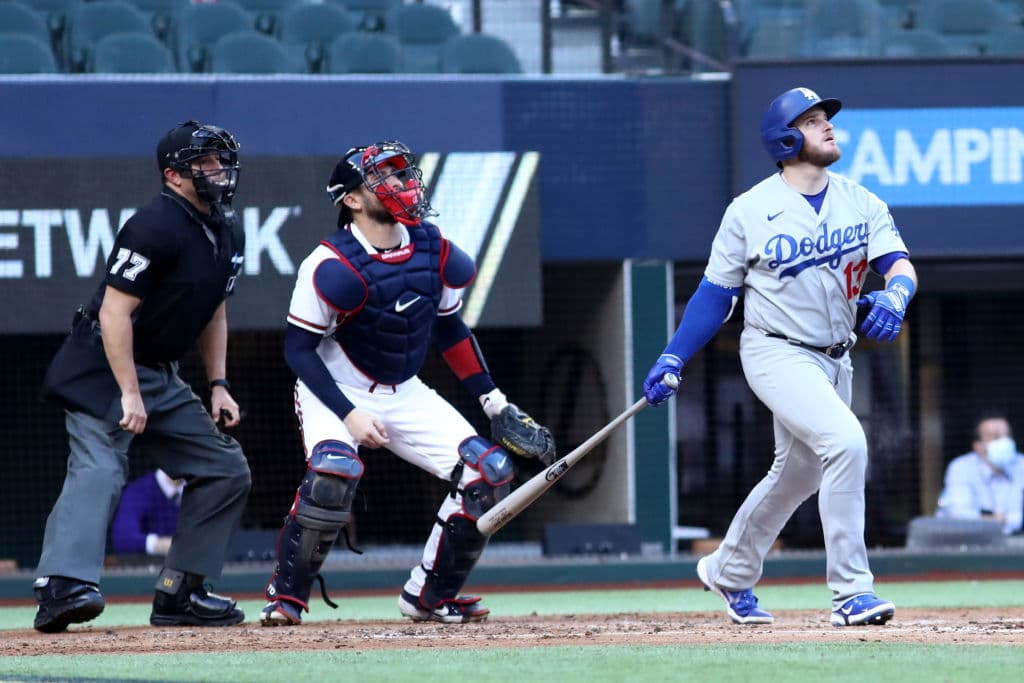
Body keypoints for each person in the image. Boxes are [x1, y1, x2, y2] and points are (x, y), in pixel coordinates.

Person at [643, 87, 918, 627]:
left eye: (826, 119)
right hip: (775, 350)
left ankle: (729, 569)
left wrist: (896, 294)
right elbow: (715, 296)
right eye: (814, 121)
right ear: (786, 138)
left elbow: (899, 264)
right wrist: (673, 356)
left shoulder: (862, 201)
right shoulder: (749, 210)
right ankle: (851, 592)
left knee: (797, 474)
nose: (828, 127)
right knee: (845, 442)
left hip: (836, 357)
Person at [259, 141, 555, 627]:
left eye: (402, 174)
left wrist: (493, 401)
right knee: (334, 473)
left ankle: (430, 595)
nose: (402, 184)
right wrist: (349, 415)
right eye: (385, 178)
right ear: (352, 199)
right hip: (335, 387)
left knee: (490, 472)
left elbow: (451, 328)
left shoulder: (431, 246)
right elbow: (297, 351)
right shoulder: (330, 264)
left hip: (405, 389)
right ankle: (286, 597)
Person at [33, 120, 252, 633]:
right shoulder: (153, 225)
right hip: (102, 364)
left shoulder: (227, 227)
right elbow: (114, 314)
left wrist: (218, 383)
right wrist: (129, 392)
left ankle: (182, 592)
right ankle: (61, 587)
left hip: (157, 370)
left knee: (225, 468)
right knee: (101, 466)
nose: (219, 171)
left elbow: (214, 310)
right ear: (174, 175)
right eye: (206, 162)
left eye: (221, 160)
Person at [937, 414, 1024, 535]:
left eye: (1008, 436)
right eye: (996, 437)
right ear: (978, 446)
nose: (1005, 442)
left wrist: (992, 519)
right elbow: (959, 516)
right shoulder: (961, 467)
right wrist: (1005, 520)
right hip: (970, 543)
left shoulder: (1021, 464)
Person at [110, 468, 185, 556]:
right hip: (149, 567)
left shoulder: (201, 491)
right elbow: (123, 539)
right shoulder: (138, 491)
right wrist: (176, 546)